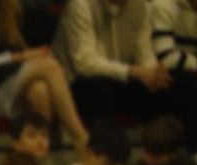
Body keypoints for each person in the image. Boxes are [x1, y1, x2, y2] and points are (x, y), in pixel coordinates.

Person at [56, 0, 197, 145]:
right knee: (99, 85)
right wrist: (134, 71)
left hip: (121, 79)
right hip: (78, 85)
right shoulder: (81, 5)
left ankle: (180, 155)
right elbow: (85, 64)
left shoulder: (140, 6)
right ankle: (104, 154)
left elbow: (144, 54)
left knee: (183, 81)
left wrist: (155, 74)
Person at [0, 0, 89, 147]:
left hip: (3, 78)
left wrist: (25, 55)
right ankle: (82, 139)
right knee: (49, 66)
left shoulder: (5, 6)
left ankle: (38, 157)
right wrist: (18, 58)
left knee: (40, 91)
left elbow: (14, 47)